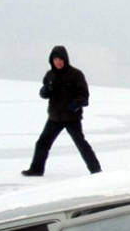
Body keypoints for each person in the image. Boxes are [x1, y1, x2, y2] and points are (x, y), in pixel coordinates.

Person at [22, 45, 101, 176]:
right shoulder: (50, 75)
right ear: (51, 61)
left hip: (72, 118)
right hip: (55, 118)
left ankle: (96, 170)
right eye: (55, 59)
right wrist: (46, 90)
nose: (58, 62)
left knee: (81, 144)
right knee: (42, 143)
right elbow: (43, 94)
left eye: (60, 59)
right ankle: (36, 169)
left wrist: (74, 105)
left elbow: (84, 96)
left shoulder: (76, 74)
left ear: (65, 59)